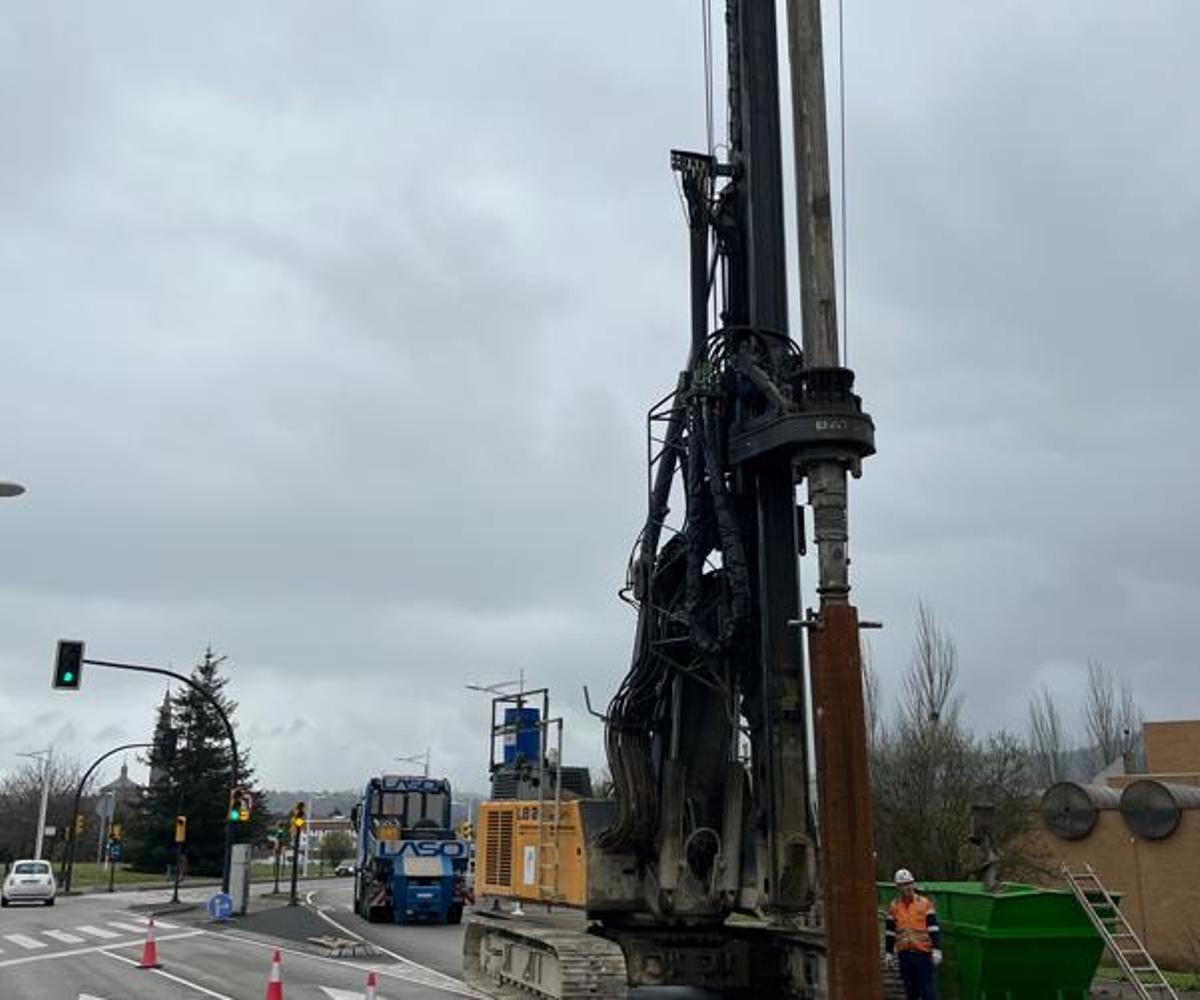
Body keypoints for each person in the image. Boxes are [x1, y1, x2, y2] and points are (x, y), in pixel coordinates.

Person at [885, 868, 942, 1000]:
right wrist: (888, 952)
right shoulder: (894, 907)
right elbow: (890, 932)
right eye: (904, 884)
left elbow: (933, 928)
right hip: (904, 955)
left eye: (910, 883)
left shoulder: (924, 904)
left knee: (928, 991)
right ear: (898, 887)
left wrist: (937, 949)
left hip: (922, 954)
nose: (908, 887)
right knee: (911, 992)